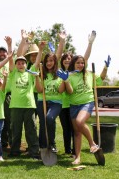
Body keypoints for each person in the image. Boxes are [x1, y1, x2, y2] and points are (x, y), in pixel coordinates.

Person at [59, 31, 110, 165]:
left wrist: (105, 66)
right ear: (73, 64)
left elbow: (102, 78)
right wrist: (66, 80)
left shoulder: (88, 74)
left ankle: (92, 144)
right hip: (73, 105)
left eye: (82, 63)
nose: (81, 65)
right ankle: (78, 157)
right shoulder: (69, 75)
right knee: (76, 132)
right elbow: (69, 92)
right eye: (78, 63)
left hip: (87, 102)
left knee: (80, 122)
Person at [34, 41, 65, 153]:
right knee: (43, 123)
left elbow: (61, 91)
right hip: (42, 101)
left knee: (50, 118)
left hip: (56, 102)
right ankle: (43, 146)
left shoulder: (59, 73)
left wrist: (65, 80)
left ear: (55, 62)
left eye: (51, 60)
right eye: (46, 61)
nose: (48, 63)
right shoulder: (42, 73)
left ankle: (52, 144)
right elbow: (40, 90)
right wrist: (37, 78)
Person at [7, 54, 40, 159]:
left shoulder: (30, 73)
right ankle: (14, 151)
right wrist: (9, 49)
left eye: (23, 63)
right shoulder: (13, 74)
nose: (21, 65)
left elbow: (37, 62)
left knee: (31, 130)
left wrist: (40, 50)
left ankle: (34, 152)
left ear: (26, 65)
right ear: (16, 65)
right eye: (18, 63)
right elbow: (10, 64)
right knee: (16, 130)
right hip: (15, 106)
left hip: (29, 106)